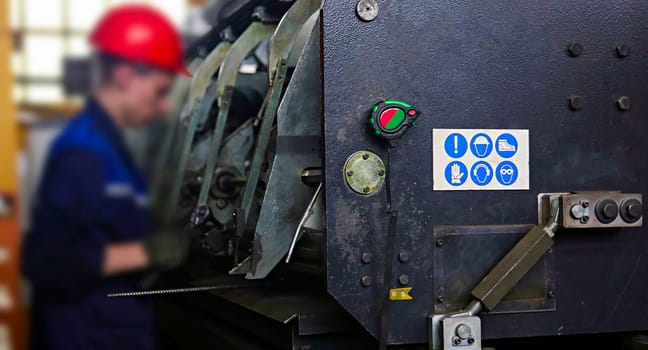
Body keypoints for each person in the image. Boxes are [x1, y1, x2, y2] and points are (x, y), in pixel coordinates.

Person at [22, 5, 190, 350]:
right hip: (87, 336)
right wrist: (147, 253)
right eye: (160, 91)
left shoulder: (111, 148)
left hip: (113, 327)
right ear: (126, 76)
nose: (162, 107)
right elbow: (46, 260)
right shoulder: (85, 153)